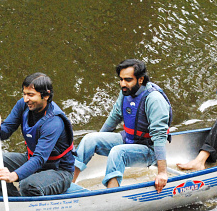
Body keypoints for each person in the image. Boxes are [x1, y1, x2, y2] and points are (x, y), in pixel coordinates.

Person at [72, 59, 172, 193]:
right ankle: (67, 183)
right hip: (129, 139)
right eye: (121, 79)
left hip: (149, 149)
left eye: (128, 80)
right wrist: (99, 139)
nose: (123, 84)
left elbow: (159, 136)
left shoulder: (154, 99)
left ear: (140, 79)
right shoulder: (126, 92)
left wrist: (162, 173)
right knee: (90, 139)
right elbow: (114, 117)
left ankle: (111, 195)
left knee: (117, 152)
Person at [0, 73, 75, 197]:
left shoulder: (54, 122)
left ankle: (27, 207)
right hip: (32, 159)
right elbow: (4, 133)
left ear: (46, 95)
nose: (26, 99)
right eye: (24, 94)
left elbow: (39, 158)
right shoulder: (23, 105)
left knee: (28, 185)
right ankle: (12, 201)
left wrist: (13, 175)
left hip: (58, 171)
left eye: (31, 95)